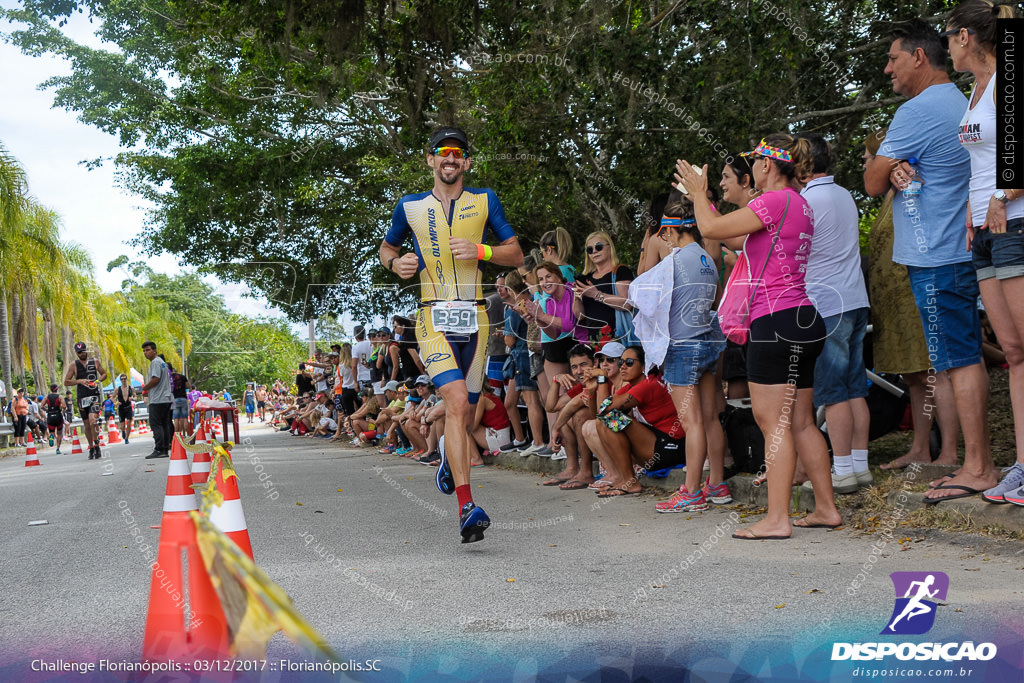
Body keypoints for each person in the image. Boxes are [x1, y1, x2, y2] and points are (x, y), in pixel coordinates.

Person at [675, 133, 843, 538]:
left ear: (767, 165)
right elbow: (733, 235)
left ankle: (777, 519)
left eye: (755, 162)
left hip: (775, 322)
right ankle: (825, 508)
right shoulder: (796, 203)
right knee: (801, 422)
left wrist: (699, 193)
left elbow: (710, 228)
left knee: (774, 424)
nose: (751, 169)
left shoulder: (772, 201)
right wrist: (709, 202)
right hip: (802, 319)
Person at [863, 19, 998, 503]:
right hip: (955, 247)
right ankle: (971, 461)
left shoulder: (917, 111)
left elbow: (873, 182)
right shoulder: (962, 103)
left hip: (940, 253)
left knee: (956, 361)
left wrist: (888, 164)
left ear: (919, 57)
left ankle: (977, 465)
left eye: (894, 58)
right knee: (956, 359)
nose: (887, 68)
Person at [380, 125, 523, 543]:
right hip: (432, 318)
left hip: (476, 319)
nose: (450, 158)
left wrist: (482, 251)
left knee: (466, 414)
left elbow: (516, 251)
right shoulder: (408, 207)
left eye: (457, 153)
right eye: (442, 151)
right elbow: (388, 248)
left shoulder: (485, 200)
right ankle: (467, 506)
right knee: (457, 402)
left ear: (467, 162)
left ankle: (448, 456)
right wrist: (395, 264)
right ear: (429, 159)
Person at [944, 1, 1024, 504]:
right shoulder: (975, 90)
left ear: (967, 37)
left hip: (1015, 221)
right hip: (986, 233)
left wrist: (1000, 196)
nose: (945, 44)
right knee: (1014, 353)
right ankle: (1021, 466)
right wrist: (976, 216)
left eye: (948, 35)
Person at [865, 129, 961, 473]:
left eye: (870, 158)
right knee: (914, 378)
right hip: (894, 305)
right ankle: (920, 447)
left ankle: (949, 451)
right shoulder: (891, 195)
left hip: (918, 294)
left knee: (937, 374)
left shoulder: (914, 186)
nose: (866, 164)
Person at [799, 131, 873, 493]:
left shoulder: (808, 201)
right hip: (855, 298)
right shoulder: (843, 194)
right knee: (855, 386)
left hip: (827, 303)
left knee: (832, 390)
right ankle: (859, 465)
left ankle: (842, 468)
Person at [650, 196, 730, 513]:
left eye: (663, 233)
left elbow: (650, 305)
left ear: (671, 231)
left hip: (682, 344)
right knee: (709, 417)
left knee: (691, 422)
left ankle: (692, 492)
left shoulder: (673, 262)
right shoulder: (707, 259)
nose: (663, 240)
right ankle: (716, 482)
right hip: (709, 340)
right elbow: (714, 303)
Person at [584, 346, 684, 498]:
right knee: (603, 422)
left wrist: (603, 378)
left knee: (612, 419)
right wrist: (593, 390)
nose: (623, 366)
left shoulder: (647, 385)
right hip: (657, 445)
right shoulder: (633, 386)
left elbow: (605, 411)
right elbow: (600, 414)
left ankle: (630, 481)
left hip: (671, 448)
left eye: (629, 362)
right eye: (621, 362)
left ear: (644, 366)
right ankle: (624, 478)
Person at [523, 260, 586, 456]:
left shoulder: (570, 291)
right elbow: (553, 333)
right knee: (558, 398)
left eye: (548, 276)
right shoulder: (548, 301)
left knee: (576, 396)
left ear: (559, 276)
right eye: (540, 279)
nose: (545, 282)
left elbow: (570, 324)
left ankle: (580, 447)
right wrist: (538, 319)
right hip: (558, 346)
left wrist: (542, 315)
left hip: (580, 347)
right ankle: (565, 445)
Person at [498, 269, 544, 453]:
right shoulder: (532, 301)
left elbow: (510, 340)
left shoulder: (514, 308)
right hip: (529, 352)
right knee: (514, 401)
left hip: (522, 355)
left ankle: (538, 442)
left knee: (531, 399)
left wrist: (504, 336)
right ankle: (522, 439)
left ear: (510, 288)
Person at [576, 231, 635, 344]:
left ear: (610, 247)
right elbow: (579, 316)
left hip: (618, 337)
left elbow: (627, 303)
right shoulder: (587, 278)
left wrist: (596, 294)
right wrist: (577, 296)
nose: (594, 251)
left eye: (599, 247)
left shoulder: (620, 271)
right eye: (589, 249)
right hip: (594, 340)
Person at [63, 341, 108, 460]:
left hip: (94, 395)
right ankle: (91, 447)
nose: (81, 354)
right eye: (78, 352)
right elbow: (66, 381)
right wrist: (79, 381)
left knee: (93, 421)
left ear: (86, 350)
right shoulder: (74, 365)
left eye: (82, 351)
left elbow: (104, 374)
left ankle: (97, 444)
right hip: (82, 397)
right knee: (87, 424)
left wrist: (97, 382)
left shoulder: (95, 361)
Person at [140, 341, 173, 458]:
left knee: (156, 424)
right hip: (165, 398)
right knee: (164, 424)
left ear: (154, 350)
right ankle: (164, 449)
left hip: (158, 399)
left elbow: (155, 379)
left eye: (148, 350)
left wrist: (145, 387)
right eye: (144, 351)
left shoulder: (155, 362)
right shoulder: (162, 362)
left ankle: (159, 449)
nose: (145, 353)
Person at [41, 384, 65, 452]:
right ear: (57, 389)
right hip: (58, 415)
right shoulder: (60, 397)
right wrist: (63, 411)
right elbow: (64, 406)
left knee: (52, 431)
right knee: (59, 433)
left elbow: (41, 406)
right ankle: (58, 448)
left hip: (50, 416)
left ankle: (51, 436)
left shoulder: (46, 397)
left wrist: (47, 410)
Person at [170, 365, 190, 436]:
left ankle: (177, 436)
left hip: (175, 399)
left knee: (176, 418)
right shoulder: (182, 377)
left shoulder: (170, 378)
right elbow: (188, 386)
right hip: (183, 398)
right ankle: (187, 435)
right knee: (185, 418)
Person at [115, 374, 135, 443]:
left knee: (129, 422)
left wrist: (132, 398)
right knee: (122, 426)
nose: (123, 380)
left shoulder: (131, 388)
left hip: (129, 407)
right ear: (120, 380)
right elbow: (112, 398)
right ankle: (123, 431)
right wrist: (116, 402)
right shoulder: (117, 389)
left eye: (124, 379)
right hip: (121, 408)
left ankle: (126, 438)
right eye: (122, 379)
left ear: (126, 379)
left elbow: (135, 397)